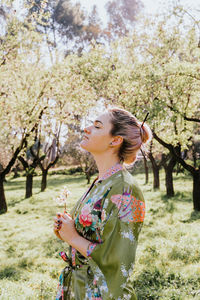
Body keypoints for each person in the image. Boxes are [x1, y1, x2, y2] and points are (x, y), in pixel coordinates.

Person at [54, 107, 152, 300]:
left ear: (115, 140)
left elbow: (119, 260)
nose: (87, 129)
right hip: (79, 288)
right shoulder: (102, 181)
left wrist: (73, 237)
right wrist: (67, 228)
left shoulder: (126, 189)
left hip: (103, 293)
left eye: (97, 126)